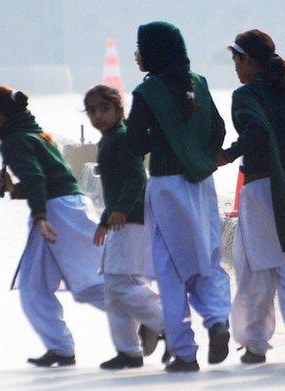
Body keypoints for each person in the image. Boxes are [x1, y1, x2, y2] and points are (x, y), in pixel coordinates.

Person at [126, 21, 231, 373]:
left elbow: (136, 143)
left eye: (140, 47)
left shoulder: (148, 92)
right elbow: (218, 129)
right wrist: (201, 155)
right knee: (206, 260)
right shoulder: (199, 83)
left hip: (166, 187)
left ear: (154, 52)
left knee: (170, 270)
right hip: (201, 185)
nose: (136, 54)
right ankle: (218, 321)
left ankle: (184, 352)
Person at [0, 87, 105, 367]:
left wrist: (39, 216)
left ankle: (153, 319)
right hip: (61, 207)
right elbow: (48, 178)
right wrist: (17, 190)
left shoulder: (15, 141)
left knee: (88, 282)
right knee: (34, 286)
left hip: (57, 213)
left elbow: (37, 179)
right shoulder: (34, 134)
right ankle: (60, 348)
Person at [216, 29, 285, 364]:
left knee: (257, 269)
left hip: (263, 188)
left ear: (248, 60)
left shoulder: (245, 96)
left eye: (236, 59)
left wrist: (229, 154)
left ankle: (256, 344)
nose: (235, 67)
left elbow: (256, 131)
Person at [84, 85, 165, 370]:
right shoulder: (109, 139)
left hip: (131, 220)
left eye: (104, 109)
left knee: (122, 283)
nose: (98, 116)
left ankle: (166, 323)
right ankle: (129, 351)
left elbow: (135, 178)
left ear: (119, 110)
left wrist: (118, 211)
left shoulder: (121, 138)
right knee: (113, 288)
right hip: (120, 219)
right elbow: (115, 186)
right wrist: (106, 219)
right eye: (92, 111)